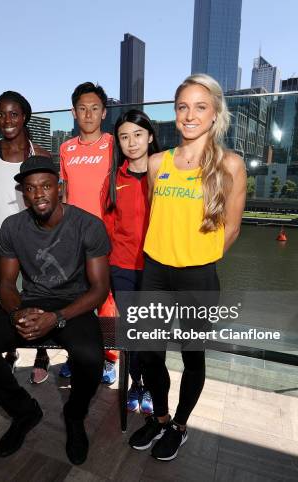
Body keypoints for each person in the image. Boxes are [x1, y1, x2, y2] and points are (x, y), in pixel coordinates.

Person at [0, 156, 110, 465]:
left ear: (60, 188)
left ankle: (74, 416)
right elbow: (5, 284)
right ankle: (24, 410)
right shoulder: (13, 227)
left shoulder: (88, 225)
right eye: (30, 188)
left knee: (91, 358)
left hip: (74, 306)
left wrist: (57, 318)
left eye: (45, 186)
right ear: (23, 194)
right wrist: (17, 314)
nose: (38, 194)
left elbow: (99, 290)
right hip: (30, 301)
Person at [128, 74, 246, 461]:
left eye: (200, 106)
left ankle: (179, 427)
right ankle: (160, 419)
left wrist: (197, 256)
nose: (190, 115)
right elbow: (155, 217)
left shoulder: (230, 165)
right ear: (175, 113)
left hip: (198, 275)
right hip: (156, 272)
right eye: (182, 107)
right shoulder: (157, 163)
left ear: (214, 114)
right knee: (148, 354)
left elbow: (231, 229)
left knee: (193, 355)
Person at [0, 91, 51, 384]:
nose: (7, 120)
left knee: (40, 296)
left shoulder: (42, 155)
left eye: (13, 114)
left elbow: (48, 199)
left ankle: (42, 351)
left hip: (33, 240)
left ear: (24, 117)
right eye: (1, 114)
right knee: (5, 298)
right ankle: (11, 348)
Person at [101, 109, 160, 414]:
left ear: (150, 136)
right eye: (124, 137)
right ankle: (137, 384)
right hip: (123, 268)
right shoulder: (114, 179)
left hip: (158, 267)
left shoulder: (165, 175)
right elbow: (108, 229)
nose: (132, 142)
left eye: (138, 134)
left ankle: (152, 386)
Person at [59, 81, 117, 383]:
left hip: (105, 237)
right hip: (73, 237)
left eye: (94, 108)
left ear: (104, 112)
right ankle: (77, 354)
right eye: (82, 108)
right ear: (73, 112)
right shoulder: (65, 149)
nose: (88, 114)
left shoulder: (113, 144)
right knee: (75, 299)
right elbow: (65, 194)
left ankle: (109, 358)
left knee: (105, 300)